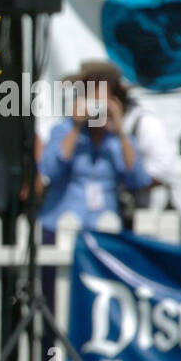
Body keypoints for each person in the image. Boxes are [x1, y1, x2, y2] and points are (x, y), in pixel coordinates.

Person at [37, 68, 152, 237]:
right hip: (60, 227)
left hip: (105, 227)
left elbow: (137, 179)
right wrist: (76, 127)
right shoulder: (63, 130)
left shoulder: (119, 139)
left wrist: (120, 131)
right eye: (93, 102)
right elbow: (49, 171)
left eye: (103, 103)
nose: (97, 110)